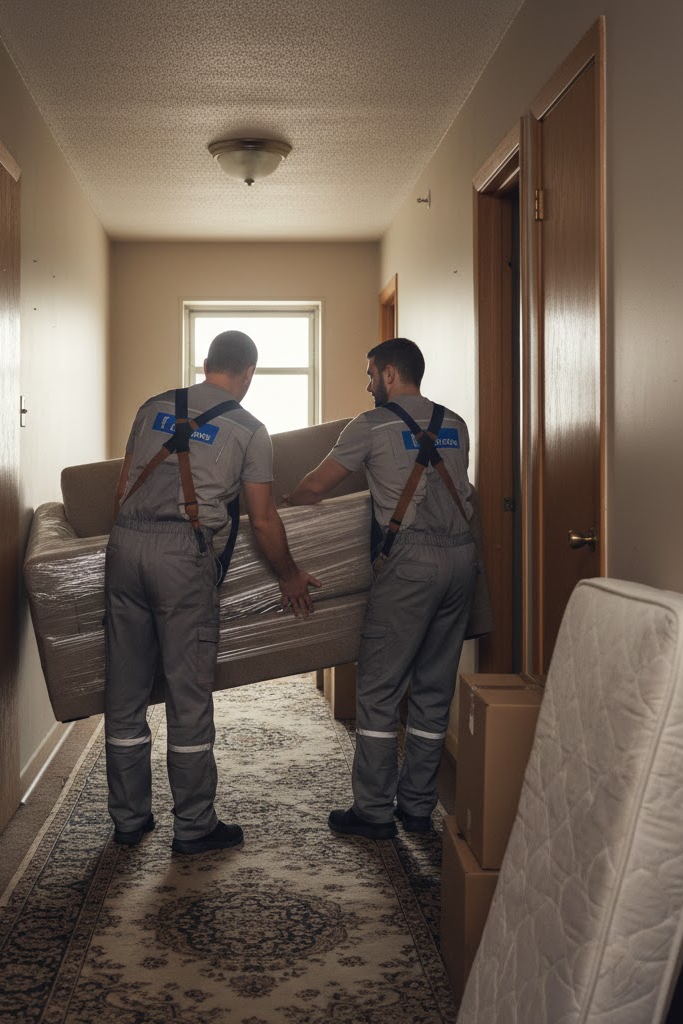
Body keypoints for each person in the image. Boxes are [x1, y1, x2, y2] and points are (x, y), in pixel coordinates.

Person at [105, 329, 320, 855]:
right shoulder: (249, 427)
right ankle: (195, 826)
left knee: (126, 692)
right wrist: (289, 572)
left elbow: (122, 485)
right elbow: (264, 519)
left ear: (205, 364)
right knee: (188, 692)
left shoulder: (151, 406)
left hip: (125, 546)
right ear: (249, 373)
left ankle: (129, 820)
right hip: (182, 557)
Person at [287, 337, 477, 839]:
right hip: (461, 561)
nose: (368, 383)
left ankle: (372, 812)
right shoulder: (455, 423)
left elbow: (315, 486)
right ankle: (417, 807)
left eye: (371, 373)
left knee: (378, 687)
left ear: (390, 374)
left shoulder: (371, 425)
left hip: (411, 564)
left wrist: (284, 506)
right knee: (434, 690)